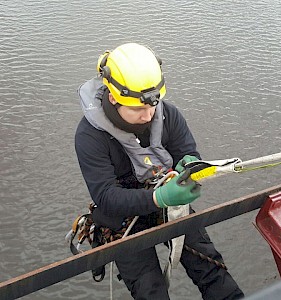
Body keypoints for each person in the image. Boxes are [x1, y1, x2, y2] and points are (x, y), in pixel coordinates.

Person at [75, 42, 244, 300]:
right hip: (122, 217)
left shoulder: (168, 116)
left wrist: (190, 168)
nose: (148, 115)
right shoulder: (90, 136)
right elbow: (106, 196)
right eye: (137, 109)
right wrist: (159, 198)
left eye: (152, 106)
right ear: (112, 98)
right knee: (150, 289)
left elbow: (188, 154)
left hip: (168, 198)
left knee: (209, 266)